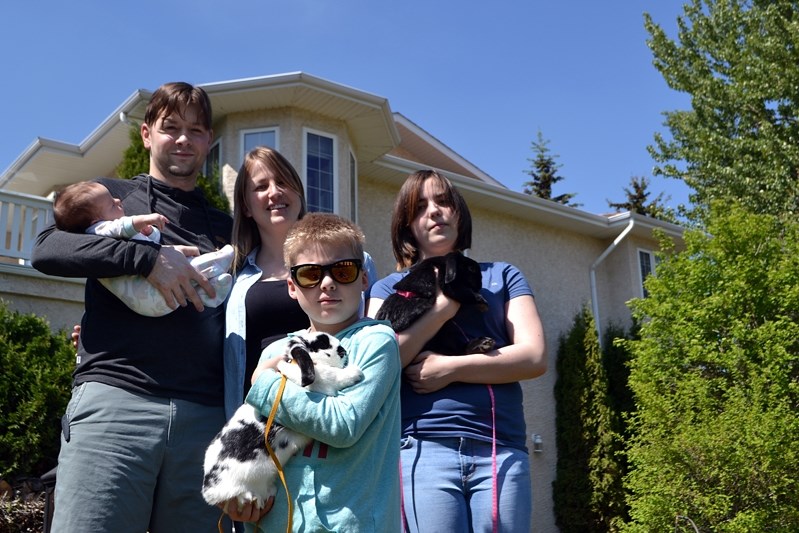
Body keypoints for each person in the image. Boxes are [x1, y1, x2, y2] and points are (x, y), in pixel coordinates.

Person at [31, 81, 232, 533]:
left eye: (196, 130)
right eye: (171, 127)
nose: (183, 139)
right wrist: (146, 258)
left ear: (209, 141)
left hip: (204, 420)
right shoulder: (110, 197)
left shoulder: (225, 226)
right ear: (146, 134)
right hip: (116, 404)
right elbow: (46, 248)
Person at [366, 170, 547, 533]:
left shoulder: (503, 276)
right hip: (421, 448)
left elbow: (534, 356)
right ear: (407, 225)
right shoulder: (387, 288)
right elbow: (380, 365)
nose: (434, 212)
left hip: (499, 448)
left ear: (459, 212)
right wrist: (443, 309)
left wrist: (450, 368)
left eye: (443, 201)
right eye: (420, 207)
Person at [221, 146, 378, 527]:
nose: (274, 192)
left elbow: (371, 338)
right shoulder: (232, 276)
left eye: (283, 182)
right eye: (261, 186)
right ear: (245, 205)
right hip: (262, 424)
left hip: (328, 421)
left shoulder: (352, 264)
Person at [238, 212, 401, 532]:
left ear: (364, 278)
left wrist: (267, 384)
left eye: (343, 270)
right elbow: (251, 447)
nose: (327, 283)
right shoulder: (274, 353)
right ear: (291, 286)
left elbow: (343, 425)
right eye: (310, 274)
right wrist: (240, 496)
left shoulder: (377, 341)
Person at [53, 180, 233, 316]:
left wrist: (148, 232)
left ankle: (212, 293)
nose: (117, 200)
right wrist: (145, 220)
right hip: (146, 293)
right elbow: (121, 226)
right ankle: (216, 261)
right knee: (188, 268)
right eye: (110, 204)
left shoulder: (105, 236)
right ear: (95, 220)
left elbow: (153, 242)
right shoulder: (97, 229)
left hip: (152, 302)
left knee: (185, 280)